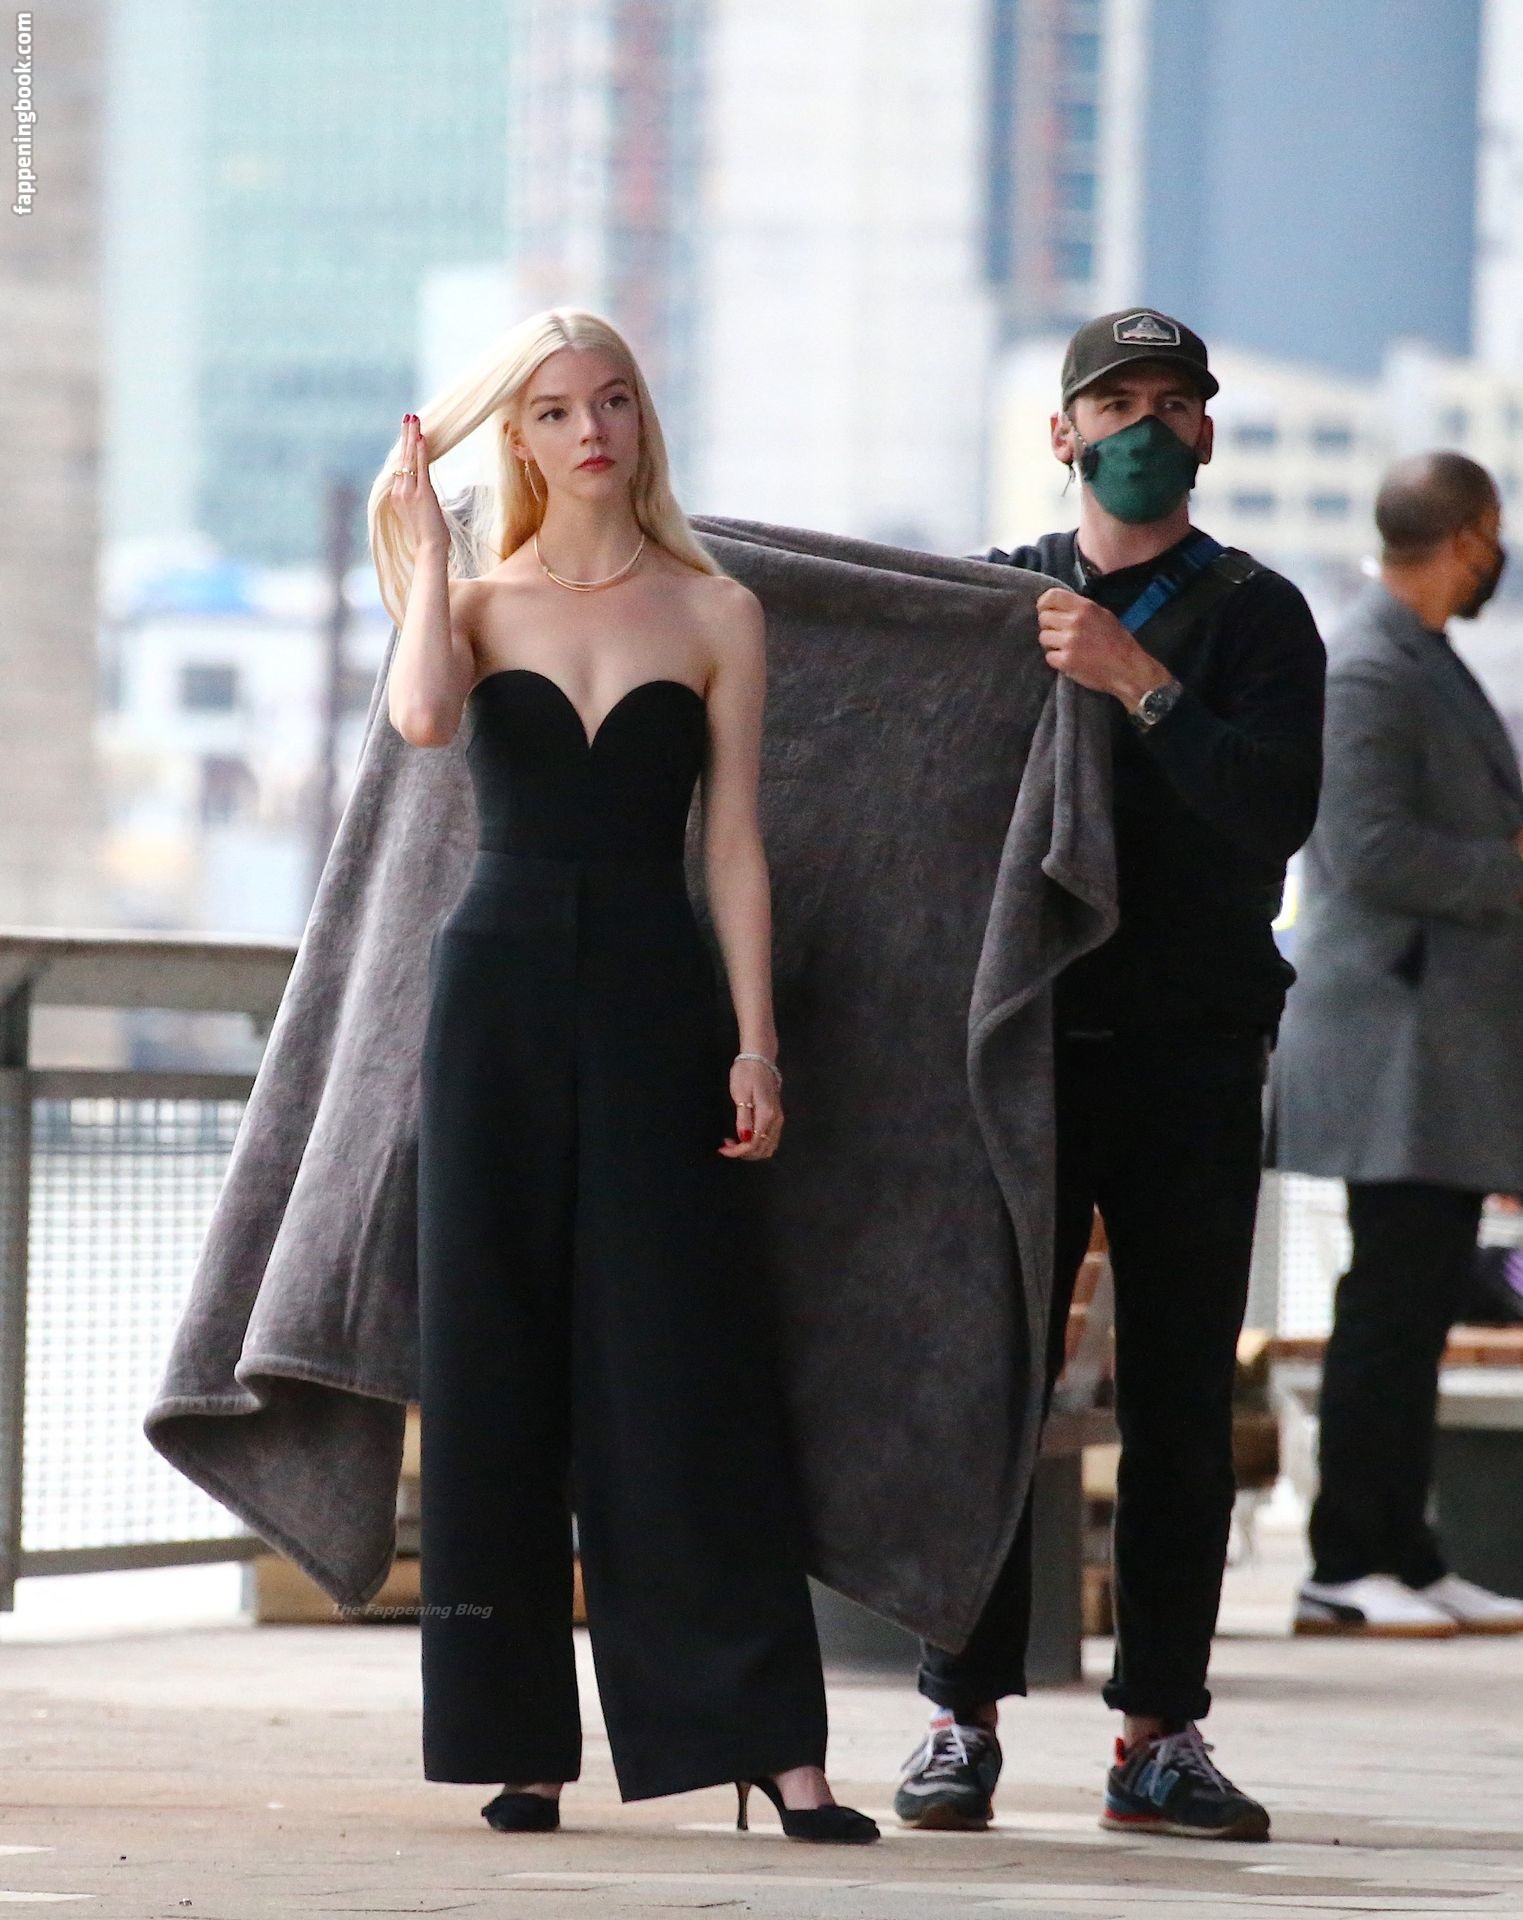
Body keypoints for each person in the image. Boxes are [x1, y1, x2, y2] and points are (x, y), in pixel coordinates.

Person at [376, 307, 878, 1841]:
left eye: (609, 400)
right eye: (550, 410)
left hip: (660, 1000)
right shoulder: (476, 605)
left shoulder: (716, 609)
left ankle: (771, 1748)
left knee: (683, 1366)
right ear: (515, 440)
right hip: (496, 999)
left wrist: (754, 1040)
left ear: (639, 419)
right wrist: (426, 558)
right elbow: (421, 719)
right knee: (492, 1361)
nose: (588, 429)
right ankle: (516, 1744)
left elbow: (732, 845)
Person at [895, 308, 1325, 1841]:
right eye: (1113, 400)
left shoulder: (1258, 617)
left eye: (1169, 402)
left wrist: (1138, 680)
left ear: (1204, 431)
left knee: (1177, 1405)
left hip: (1192, 1054)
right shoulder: (994, 601)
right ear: (1060, 431)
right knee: (983, 1389)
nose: (1141, 426)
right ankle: (955, 1715)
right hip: (1020, 1055)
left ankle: (1156, 1732)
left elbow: (1270, 814)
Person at [1270, 451, 1523, 1639]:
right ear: (1465, 536)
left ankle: (1404, 1553)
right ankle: (1343, 1563)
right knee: (1387, 1301)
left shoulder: (1413, 655)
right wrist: (1508, 870)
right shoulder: (1367, 664)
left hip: (1435, 1043)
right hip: (1393, 1040)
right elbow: (1362, 849)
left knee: (1415, 1299)